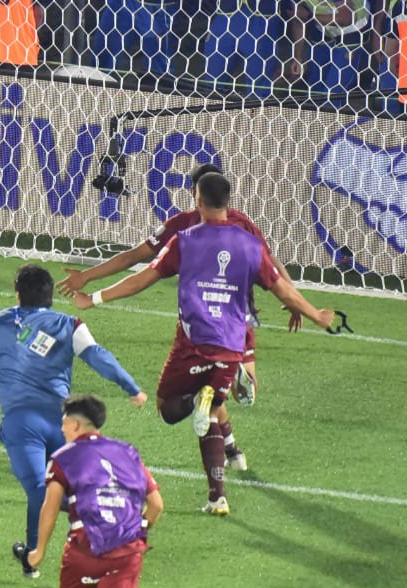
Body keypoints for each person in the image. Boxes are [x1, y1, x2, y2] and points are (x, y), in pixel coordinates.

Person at [72, 173, 335, 515]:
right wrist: (317, 315)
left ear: (197, 199)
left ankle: (203, 401)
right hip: (233, 345)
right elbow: (282, 289)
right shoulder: (250, 244)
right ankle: (217, 497)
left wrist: (94, 298)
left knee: (168, 408)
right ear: (228, 201)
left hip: (194, 342)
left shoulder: (184, 239)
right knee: (210, 411)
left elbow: (142, 278)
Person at [60, 163, 298, 471]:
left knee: (206, 395)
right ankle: (230, 448)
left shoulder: (183, 225)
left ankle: (226, 444)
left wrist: (88, 280)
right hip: (237, 320)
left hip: (200, 325)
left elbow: (136, 256)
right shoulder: (239, 223)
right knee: (227, 391)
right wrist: (291, 295)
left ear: (194, 194)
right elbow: (270, 260)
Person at [0, 264, 145, 578]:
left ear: (17, 294)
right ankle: (109, 528)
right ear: (50, 296)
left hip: (20, 425)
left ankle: (33, 559)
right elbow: (98, 355)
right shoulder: (69, 324)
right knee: (65, 490)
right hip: (63, 424)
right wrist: (132, 387)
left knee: (38, 489)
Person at [25, 395, 164, 588]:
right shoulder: (128, 452)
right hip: (127, 546)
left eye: (64, 423)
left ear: (76, 425)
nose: (62, 428)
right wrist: (140, 530)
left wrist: (38, 551)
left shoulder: (63, 458)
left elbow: (50, 508)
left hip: (84, 546)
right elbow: (157, 504)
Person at [283, 0, 373, 100]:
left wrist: (309, 16)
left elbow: (346, 18)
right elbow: (298, 20)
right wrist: (297, 58)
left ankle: (334, 112)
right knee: (314, 88)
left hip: (352, 29)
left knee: (333, 92)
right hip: (322, 29)